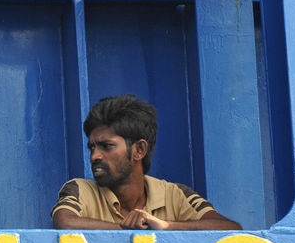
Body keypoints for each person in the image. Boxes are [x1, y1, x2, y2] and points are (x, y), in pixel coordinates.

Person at [51, 94, 241, 230]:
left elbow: (229, 228)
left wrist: (165, 226)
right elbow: (65, 222)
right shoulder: (80, 190)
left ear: (139, 150)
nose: (95, 156)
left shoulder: (175, 195)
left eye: (106, 146)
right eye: (92, 147)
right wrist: (130, 230)